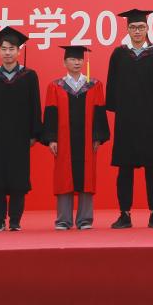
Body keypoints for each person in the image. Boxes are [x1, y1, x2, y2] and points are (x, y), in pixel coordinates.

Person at [106, 8, 153, 229]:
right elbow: (112, 83)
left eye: (141, 27)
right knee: (124, 169)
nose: (137, 31)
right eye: (133, 27)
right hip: (126, 119)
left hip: (151, 120)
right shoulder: (119, 54)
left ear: (147, 29)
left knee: (152, 168)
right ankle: (124, 214)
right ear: (127, 29)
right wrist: (116, 108)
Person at [0, 27, 42, 232]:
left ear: (18, 50)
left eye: (11, 49)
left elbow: (35, 105)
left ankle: (15, 220)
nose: (7, 53)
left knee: (18, 179)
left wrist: (34, 133)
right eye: (4, 49)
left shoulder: (29, 75)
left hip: (20, 136)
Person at [43, 45, 109, 230]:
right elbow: (50, 114)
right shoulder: (55, 86)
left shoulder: (94, 85)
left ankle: (85, 220)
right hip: (64, 140)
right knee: (64, 175)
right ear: (64, 62)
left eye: (80, 59)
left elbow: (99, 112)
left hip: (87, 140)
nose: (77, 62)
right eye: (72, 59)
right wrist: (52, 138)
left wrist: (98, 136)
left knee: (87, 176)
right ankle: (63, 220)